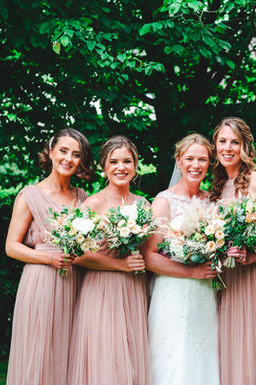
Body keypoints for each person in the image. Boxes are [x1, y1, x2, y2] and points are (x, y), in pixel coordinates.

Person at [5, 129, 93, 385]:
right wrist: (49, 260)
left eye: (76, 155)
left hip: (75, 281)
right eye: (63, 151)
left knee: (69, 351)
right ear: (51, 152)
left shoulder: (83, 198)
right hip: (41, 281)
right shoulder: (30, 195)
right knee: (39, 349)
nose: (68, 159)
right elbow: (11, 247)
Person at [67, 136, 151, 385]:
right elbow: (76, 254)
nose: (120, 167)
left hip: (134, 290)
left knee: (132, 358)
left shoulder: (144, 204)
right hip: (101, 290)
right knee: (105, 359)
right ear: (104, 167)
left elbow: (147, 253)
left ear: (135, 165)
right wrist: (120, 265)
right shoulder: (92, 204)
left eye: (127, 161)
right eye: (113, 162)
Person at [144, 133, 220, 385]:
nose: (195, 165)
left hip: (205, 291)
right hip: (174, 291)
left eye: (202, 159)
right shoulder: (164, 202)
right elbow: (149, 257)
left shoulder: (213, 201)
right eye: (189, 158)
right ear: (178, 161)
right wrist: (190, 272)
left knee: (204, 355)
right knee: (173, 356)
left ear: (209, 163)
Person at [210, 117, 256, 385]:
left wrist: (254, 255)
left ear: (245, 147)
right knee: (227, 346)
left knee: (251, 346)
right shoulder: (216, 187)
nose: (228, 148)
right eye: (222, 141)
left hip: (253, 278)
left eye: (234, 142)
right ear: (215, 146)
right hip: (224, 280)